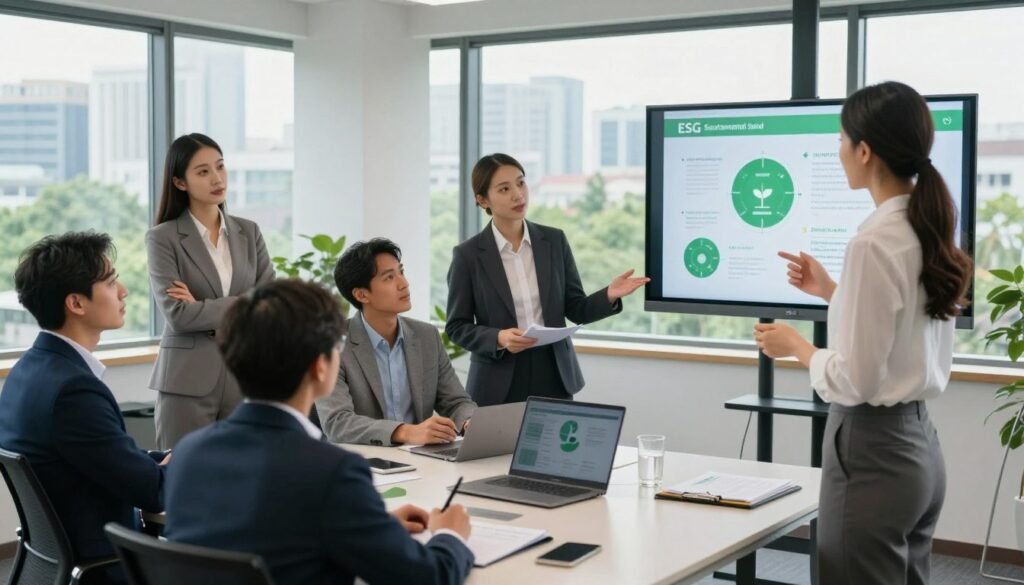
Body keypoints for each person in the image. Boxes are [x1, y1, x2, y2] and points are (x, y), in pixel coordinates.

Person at [753, 81, 972, 585]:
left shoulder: (873, 242)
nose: (839, 152)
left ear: (865, 150)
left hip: (872, 451)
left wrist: (798, 348)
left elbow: (857, 379)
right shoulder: (924, 226)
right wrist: (834, 291)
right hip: (919, 448)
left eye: (840, 140)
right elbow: (900, 330)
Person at [164, 279, 475, 585]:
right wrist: (450, 534)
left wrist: (366, 526)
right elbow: (429, 576)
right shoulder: (333, 473)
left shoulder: (189, 452)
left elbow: (259, 531)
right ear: (320, 367)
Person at [0, 232, 168, 583]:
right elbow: (152, 491)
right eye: (110, 282)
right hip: (107, 566)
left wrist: (159, 459)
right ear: (76, 303)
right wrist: (196, 460)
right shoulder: (73, 391)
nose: (123, 291)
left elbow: (101, 455)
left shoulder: (29, 371)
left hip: (62, 559)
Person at [446, 153, 649, 406]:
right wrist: (499, 338)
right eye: (504, 189)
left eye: (521, 183)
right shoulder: (468, 255)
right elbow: (456, 326)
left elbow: (576, 308)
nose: (518, 195)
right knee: (499, 447)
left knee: (556, 445)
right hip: (497, 379)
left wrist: (609, 294)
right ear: (482, 199)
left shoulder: (553, 241)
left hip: (554, 373)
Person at [146, 133, 275, 449]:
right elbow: (179, 316)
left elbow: (272, 304)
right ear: (180, 182)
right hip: (187, 381)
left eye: (220, 167)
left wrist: (205, 306)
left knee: (243, 479)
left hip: (244, 376)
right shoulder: (163, 238)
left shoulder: (249, 231)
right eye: (203, 172)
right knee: (183, 478)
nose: (217, 178)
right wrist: (246, 303)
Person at [316, 238, 477, 446]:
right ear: (361, 294)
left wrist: (469, 421)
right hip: (367, 462)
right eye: (389, 277)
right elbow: (338, 423)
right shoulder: (332, 345)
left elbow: (456, 402)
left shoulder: (426, 336)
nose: (404, 283)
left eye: (401, 272)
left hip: (423, 459)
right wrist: (404, 432)